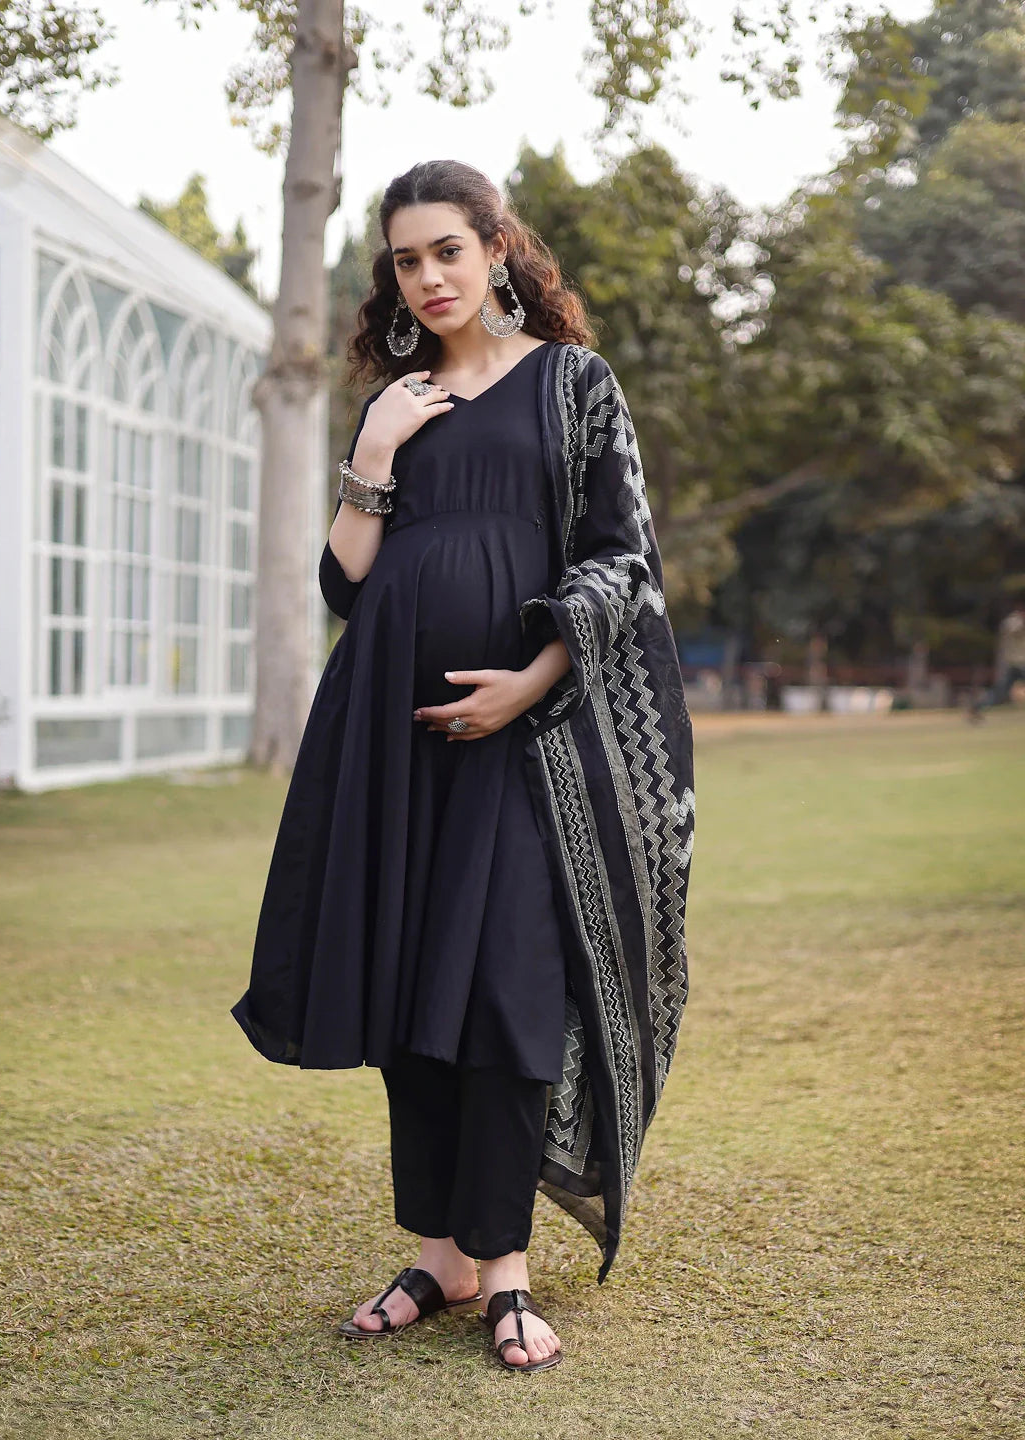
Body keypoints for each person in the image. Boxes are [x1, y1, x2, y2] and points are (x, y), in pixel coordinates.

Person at [230, 160, 695, 1375]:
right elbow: (345, 584)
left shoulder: (572, 384)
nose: (428, 276)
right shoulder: (397, 402)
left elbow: (622, 558)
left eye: (447, 250)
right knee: (412, 986)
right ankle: (439, 1255)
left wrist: (529, 682)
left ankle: (506, 1269)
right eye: (406, 260)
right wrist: (376, 452)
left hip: (533, 747)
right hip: (395, 737)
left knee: (505, 989)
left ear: (497, 248)